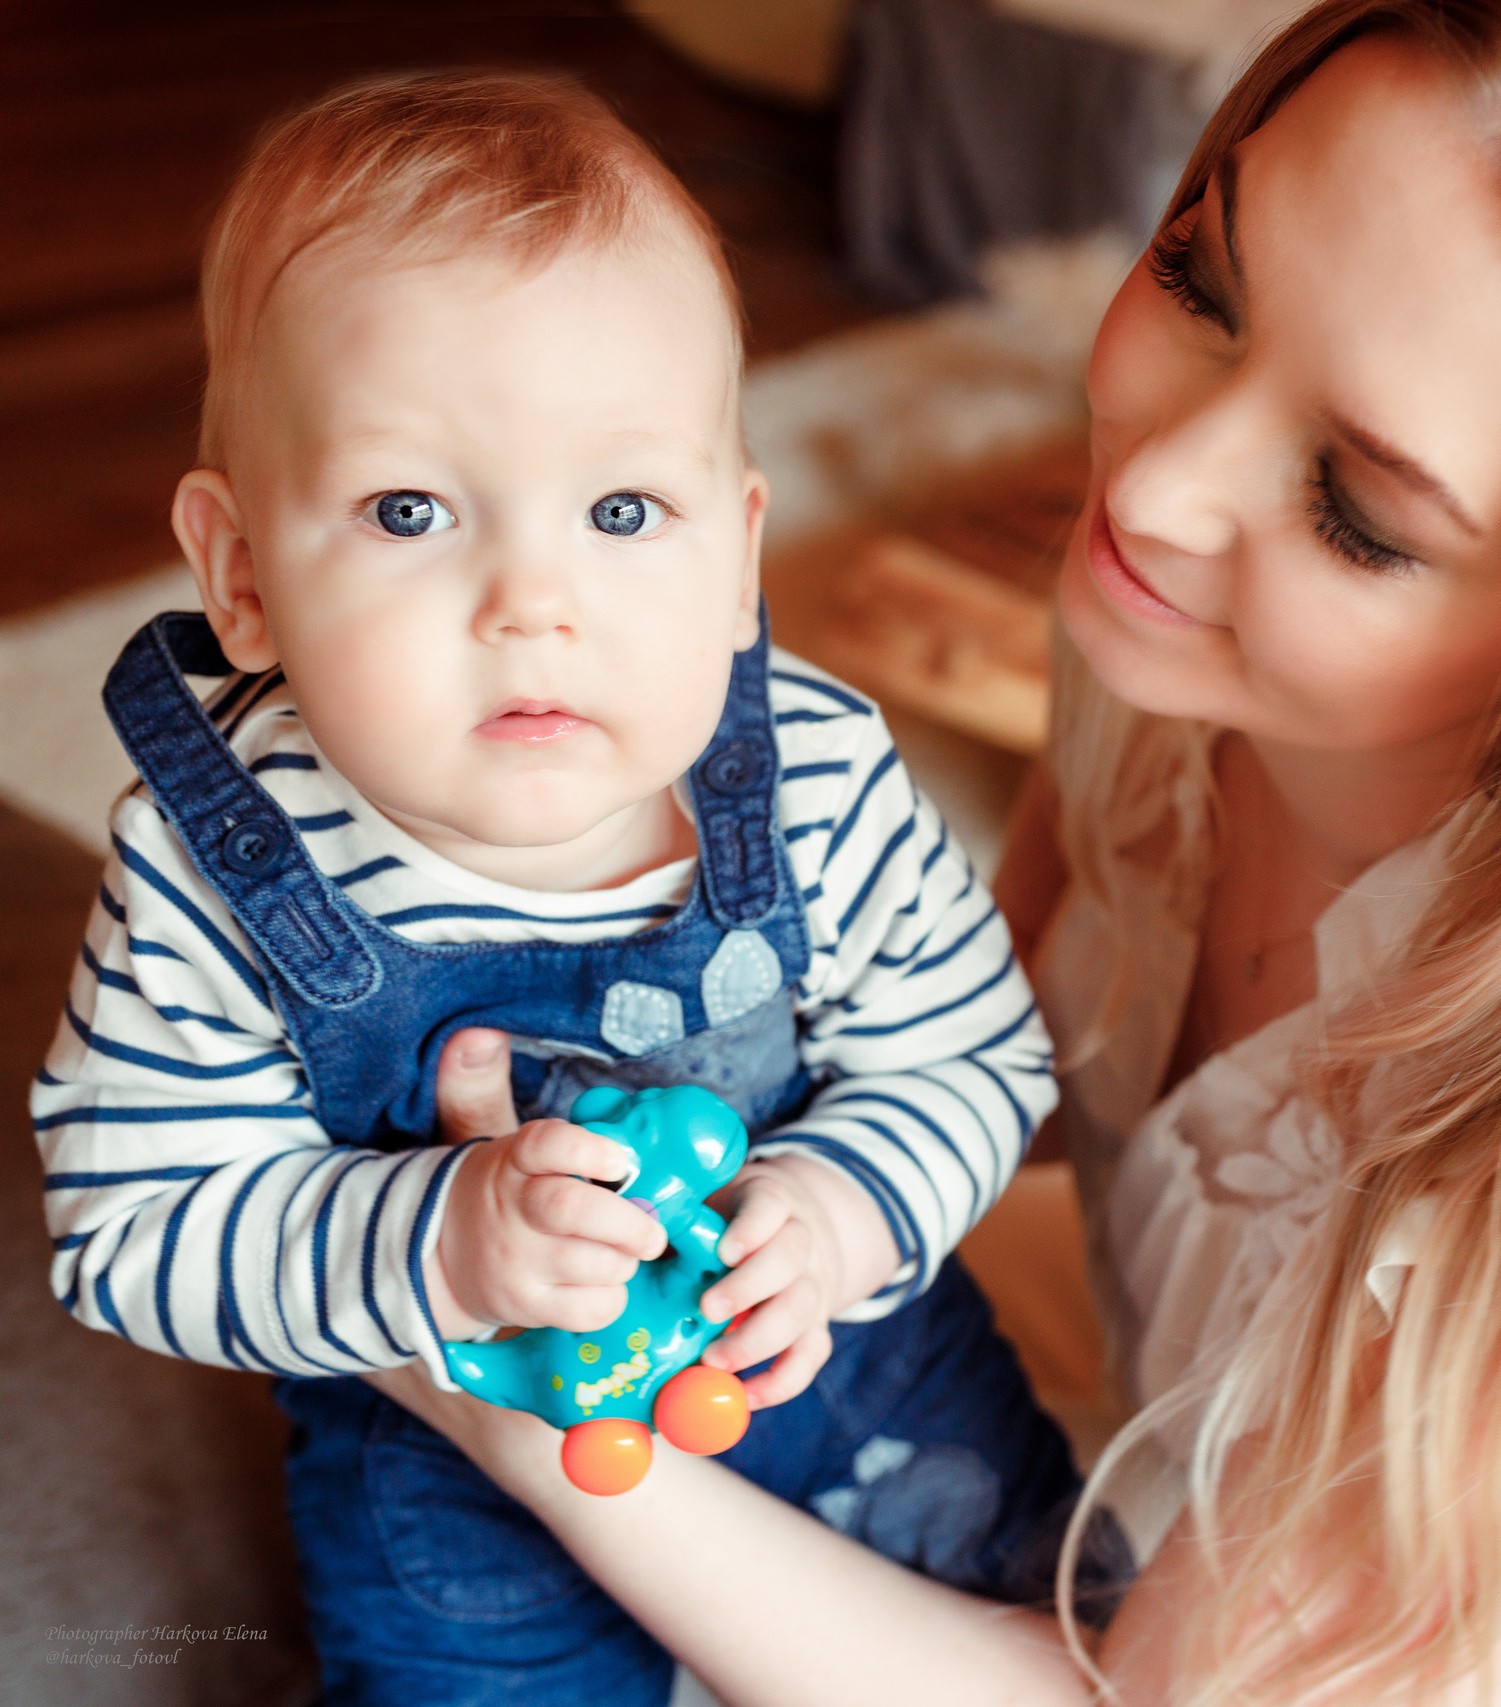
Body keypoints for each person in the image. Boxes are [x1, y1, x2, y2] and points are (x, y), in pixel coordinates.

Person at [372, 1, 1501, 1702]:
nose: (1157, 484)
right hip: (1183, 1468)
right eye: (1201, 284)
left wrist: (529, 1438)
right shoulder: (1174, 662)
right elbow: (939, 1070)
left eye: (1360, 511)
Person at [31, 72, 1104, 1705]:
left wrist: (838, 1205)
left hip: (850, 1377)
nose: (534, 601)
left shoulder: (807, 769)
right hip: (473, 1499)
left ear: (739, 558)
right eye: (410, 510)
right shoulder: (212, 864)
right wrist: (433, 1237)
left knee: (1087, 1624)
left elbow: (975, 1059)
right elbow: (132, 1224)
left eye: (622, 509)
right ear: (242, 574)